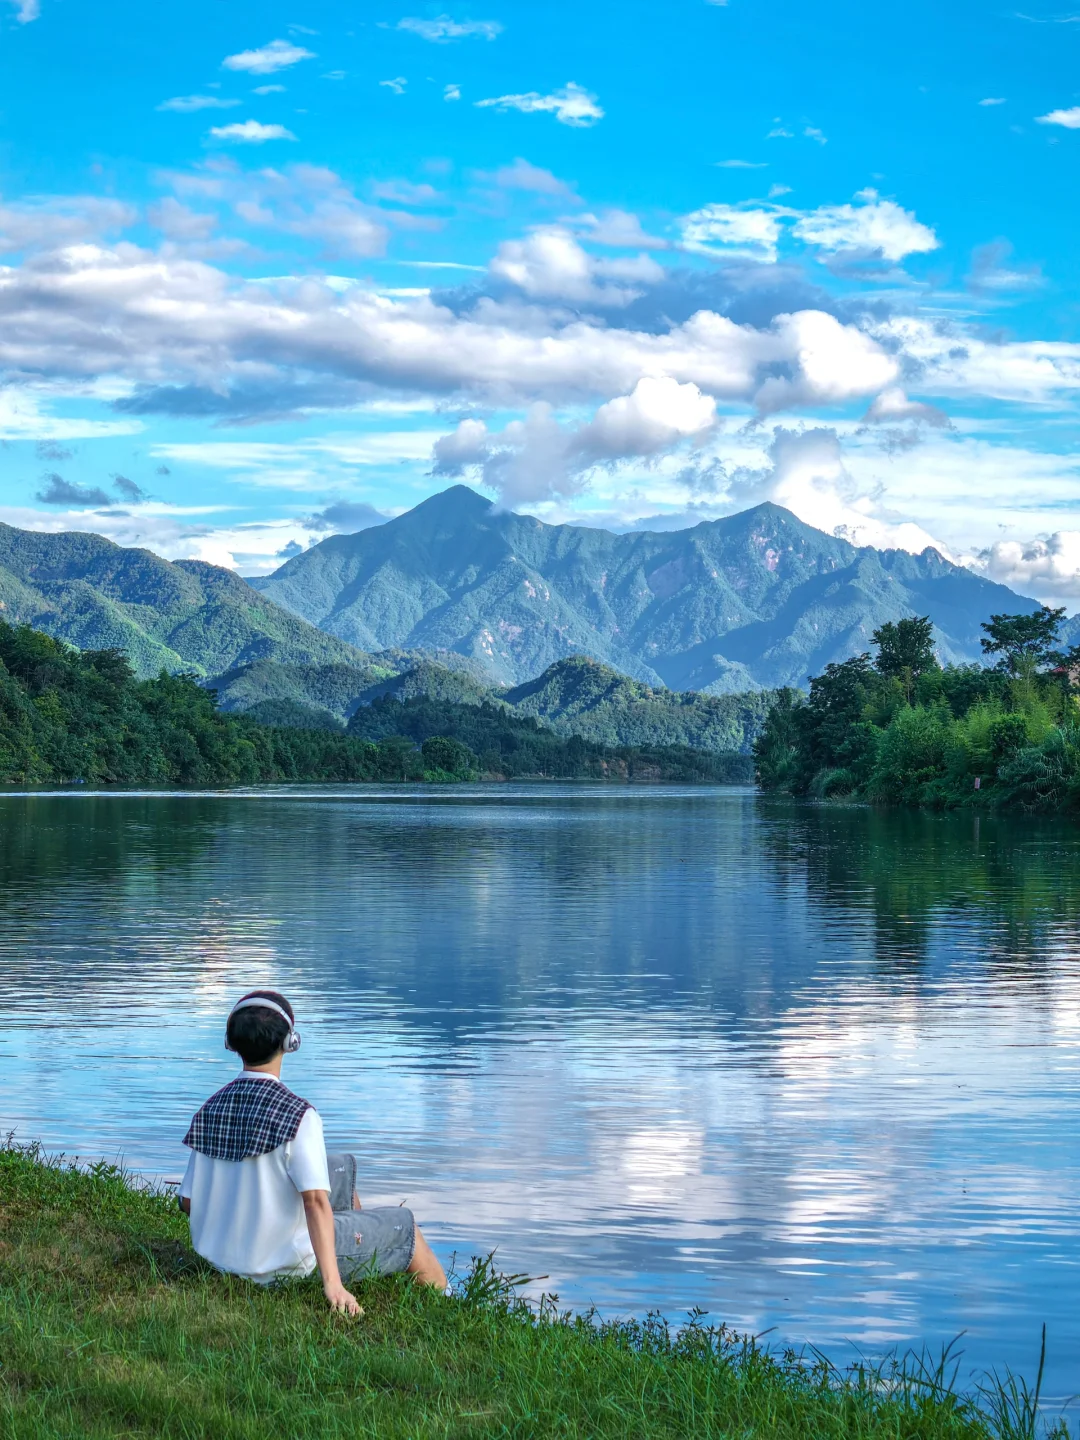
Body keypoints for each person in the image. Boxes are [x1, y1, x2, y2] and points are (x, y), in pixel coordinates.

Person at [179, 989, 447, 1315]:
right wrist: (331, 1284)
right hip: (279, 1268)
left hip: (218, 1260)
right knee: (403, 1226)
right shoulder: (299, 1115)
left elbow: (189, 1202)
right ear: (290, 1042)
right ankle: (442, 1308)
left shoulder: (210, 1108)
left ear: (231, 1043)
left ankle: (355, 1237)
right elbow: (315, 1202)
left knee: (340, 1169)